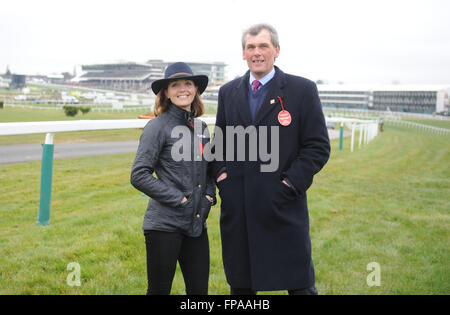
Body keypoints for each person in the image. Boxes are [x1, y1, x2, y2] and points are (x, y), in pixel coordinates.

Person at [211, 24, 330, 295]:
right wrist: (223, 181)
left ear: (276, 50)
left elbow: (317, 146)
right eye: (251, 47)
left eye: (263, 46)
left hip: (282, 206)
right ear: (243, 53)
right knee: (242, 286)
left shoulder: (302, 90)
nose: (257, 53)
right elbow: (220, 144)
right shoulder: (228, 92)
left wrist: (289, 184)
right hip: (239, 208)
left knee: (299, 284)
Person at [130, 62, 216, 295]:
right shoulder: (156, 127)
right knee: (159, 291)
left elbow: (209, 170)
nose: (182, 89)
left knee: (199, 294)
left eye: (188, 83)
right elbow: (139, 175)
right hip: (164, 225)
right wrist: (180, 200)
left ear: (196, 89)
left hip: (197, 224)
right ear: (166, 93)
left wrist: (209, 195)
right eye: (175, 85)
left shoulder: (201, 127)